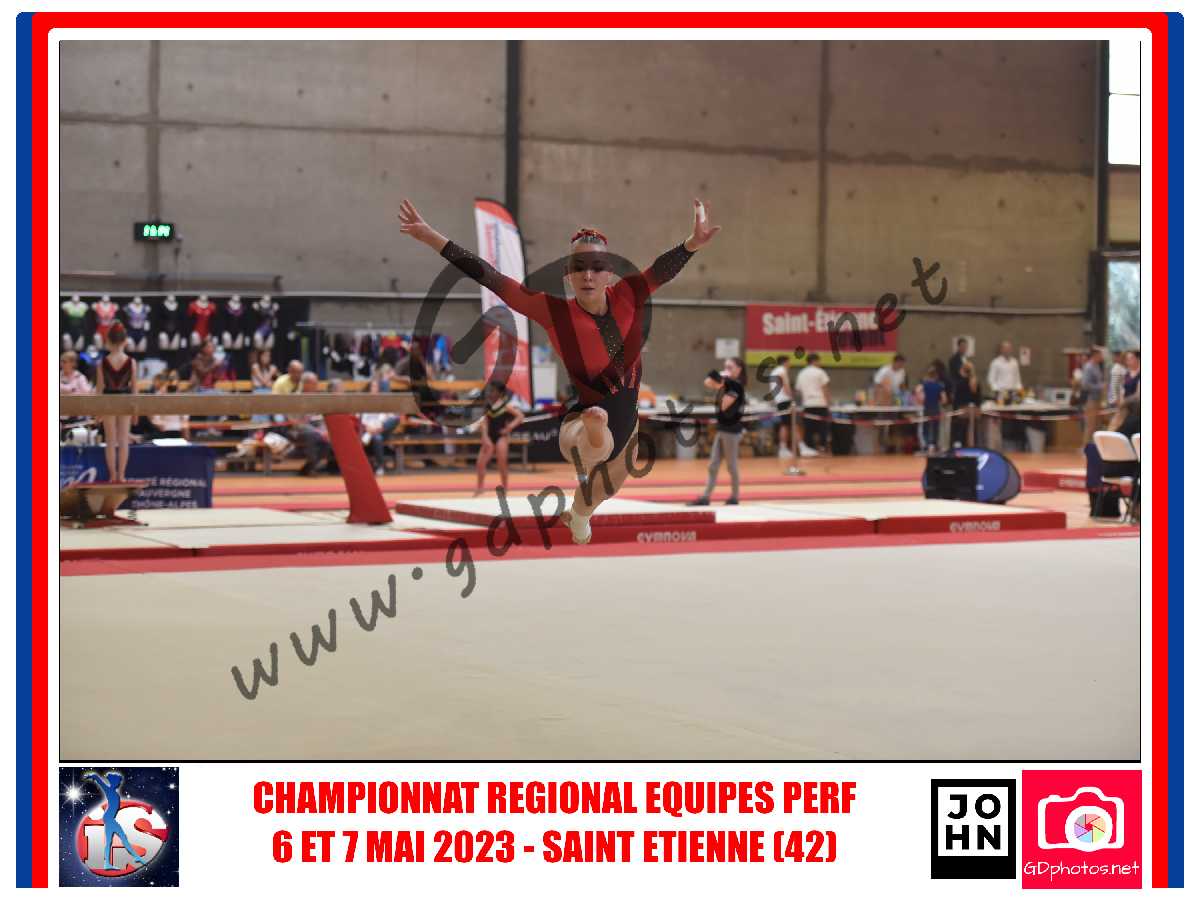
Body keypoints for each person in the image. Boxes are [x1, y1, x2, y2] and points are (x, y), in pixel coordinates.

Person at [398, 196, 719, 544]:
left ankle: (578, 515)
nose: (587, 275)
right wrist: (432, 237)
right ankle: (594, 430)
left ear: (609, 272)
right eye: (578, 267)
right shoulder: (554, 312)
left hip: (628, 423)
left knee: (606, 488)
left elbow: (662, 269)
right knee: (596, 445)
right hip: (582, 418)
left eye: (596, 267)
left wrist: (692, 244)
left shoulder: (629, 294)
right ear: (568, 274)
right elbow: (491, 277)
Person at [689, 357, 747, 506]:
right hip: (722, 429)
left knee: (731, 466)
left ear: (739, 369)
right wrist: (718, 376)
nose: (727, 370)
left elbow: (724, 405)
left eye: (730, 367)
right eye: (725, 367)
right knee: (713, 465)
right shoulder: (728, 383)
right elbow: (707, 382)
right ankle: (705, 497)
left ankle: (735, 497)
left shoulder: (736, 386)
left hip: (732, 431)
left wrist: (722, 383)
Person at [465, 381, 526, 495]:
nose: (490, 393)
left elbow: (520, 416)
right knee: (480, 463)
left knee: (502, 463)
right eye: (490, 390)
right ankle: (480, 488)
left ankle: (505, 488)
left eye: (493, 391)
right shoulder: (487, 406)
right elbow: (484, 423)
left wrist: (509, 428)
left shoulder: (505, 406)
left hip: (501, 437)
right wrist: (485, 437)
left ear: (500, 393)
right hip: (489, 436)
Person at [95, 323, 136, 482]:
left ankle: (112, 475)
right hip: (125, 401)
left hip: (108, 401)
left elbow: (99, 389)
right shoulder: (131, 362)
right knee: (123, 440)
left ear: (108, 341)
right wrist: (136, 411)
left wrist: (97, 411)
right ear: (125, 341)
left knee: (110, 440)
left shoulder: (102, 362)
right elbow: (134, 389)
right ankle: (122, 475)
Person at [291, 372, 333, 476]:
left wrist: (324, 430)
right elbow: (295, 423)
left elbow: (320, 418)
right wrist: (318, 431)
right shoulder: (294, 398)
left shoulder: (316, 397)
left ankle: (309, 466)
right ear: (306, 384)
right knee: (312, 435)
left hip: (315, 430)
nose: (317, 386)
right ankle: (311, 467)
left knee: (327, 441)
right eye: (314, 383)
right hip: (297, 431)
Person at [795, 352, 831, 455]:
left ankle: (809, 449)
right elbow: (825, 389)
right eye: (819, 361)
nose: (820, 363)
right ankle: (822, 448)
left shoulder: (801, 373)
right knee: (823, 428)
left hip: (807, 404)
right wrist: (828, 403)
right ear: (815, 361)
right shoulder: (820, 372)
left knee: (808, 429)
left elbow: (798, 391)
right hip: (820, 403)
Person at [767, 354, 795, 458]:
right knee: (785, 425)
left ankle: (785, 448)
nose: (790, 364)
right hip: (784, 400)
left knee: (786, 424)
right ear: (785, 362)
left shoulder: (774, 371)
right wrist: (792, 399)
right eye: (789, 361)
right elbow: (786, 386)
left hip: (779, 400)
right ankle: (783, 448)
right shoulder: (782, 370)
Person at [950, 360, 981, 448]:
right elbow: (979, 398)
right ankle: (973, 446)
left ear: (962, 371)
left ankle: (960, 445)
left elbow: (956, 399)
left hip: (963, 411)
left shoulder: (960, 383)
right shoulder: (976, 383)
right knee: (973, 430)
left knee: (961, 430)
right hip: (974, 411)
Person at [1079, 346, 1106, 446]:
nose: (1102, 357)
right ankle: (1085, 447)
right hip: (1090, 400)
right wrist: (1100, 386)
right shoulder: (1088, 367)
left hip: (1097, 399)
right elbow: (1085, 385)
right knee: (1090, 425)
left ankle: (1095, 447)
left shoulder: (1097, 366)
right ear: (1095, 355)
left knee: (1096, 425)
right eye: (1100, 355)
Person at [916, 365, 946, 454]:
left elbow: (919, 394)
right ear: (936, 376)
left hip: (927, 408)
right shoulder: (939, 385)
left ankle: (926, 446)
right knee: (936, 428)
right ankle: (935, 445)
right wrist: (940, 402)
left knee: (925, 427)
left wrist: (922, 400)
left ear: (928, 375)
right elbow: (944, 399)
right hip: (936, 409)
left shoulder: (924, 385)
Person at [1112, 350, 1140, 438]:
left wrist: (1124, 402)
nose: (1128, 361)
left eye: (1131, 358)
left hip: (1136, 410)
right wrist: (1119, 399)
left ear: (1138, 359)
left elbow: (1138, 394)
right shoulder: (1127, 373)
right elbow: (1122, 389)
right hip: (1125, 409)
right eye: (1127, 359)